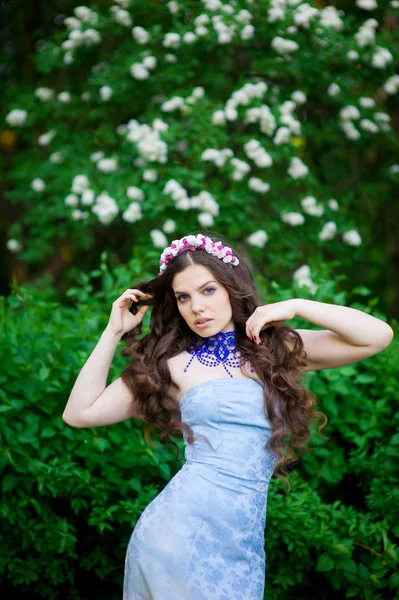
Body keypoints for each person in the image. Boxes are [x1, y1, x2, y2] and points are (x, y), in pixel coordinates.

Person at [63, 230, 393, 600]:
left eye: (208, 290)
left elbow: (377, 336)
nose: (197, 308)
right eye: (183, 297)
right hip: (177, 536)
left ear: (231, 288)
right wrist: (112, 332)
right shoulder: (170, 364)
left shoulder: (274, 349)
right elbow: (79, 414)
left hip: (241, 542)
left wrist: (297, 305)